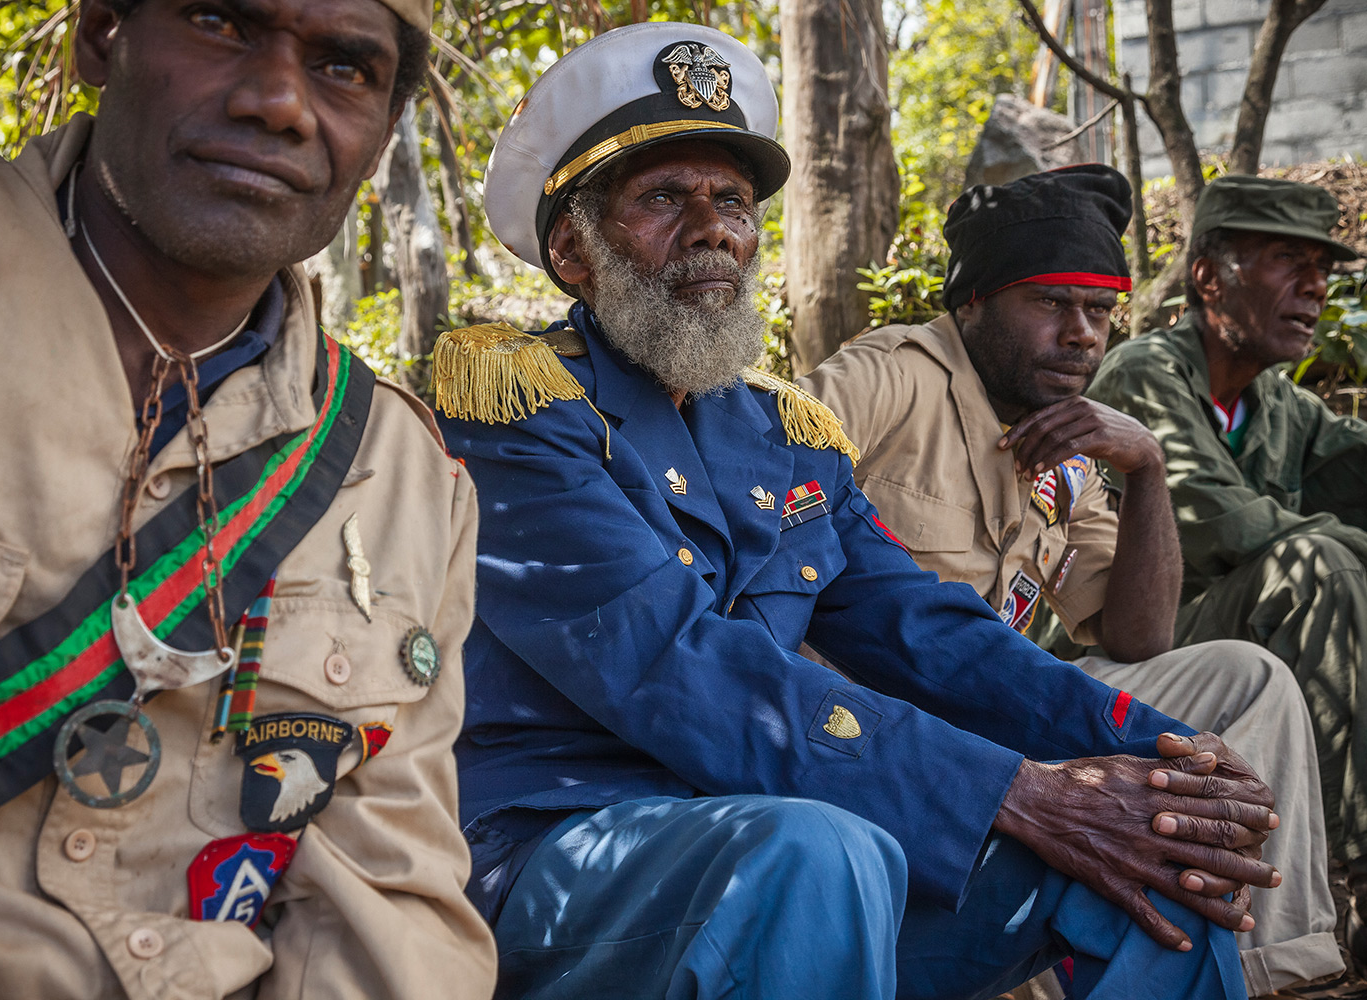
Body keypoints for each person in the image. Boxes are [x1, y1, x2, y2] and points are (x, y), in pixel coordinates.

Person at [433, 22, 1279, 1000]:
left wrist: (1161, 752)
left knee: (1161, 854)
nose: (712, 229)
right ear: (573, 249)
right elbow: (674, 662)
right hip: (561, 852)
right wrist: (1015, 789)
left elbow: (932, 633)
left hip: (782, 832)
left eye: (732, 201)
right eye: (663, 198)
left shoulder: (784, 434)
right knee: (819, 850)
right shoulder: (516, 414)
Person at [0, 1, 497, 998]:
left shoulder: (408, 483)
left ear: (380, 138)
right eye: (220, 22)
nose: (280, 102)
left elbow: (387, 911)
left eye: (344, 67)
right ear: (102, 35)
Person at [798, 165, 1340, 996]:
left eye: (1099, 310)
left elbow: (1139, 638)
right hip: (881, 732)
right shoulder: (890, 376)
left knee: (1246, 677)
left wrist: (1146, 467)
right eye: (1051, 303)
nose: (1083, 334)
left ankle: (1273, 971)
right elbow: (756, 483)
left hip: (1008, 711)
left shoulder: (1066, 447)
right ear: (973, 300)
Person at [1086, 174, 1367, 947]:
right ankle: (1355, 874)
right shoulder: (1144, 373)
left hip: (1227, 641)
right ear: (1209, 277)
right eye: (1288, 261)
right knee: (1319, 567)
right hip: (1137, 656)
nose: (1315, 287)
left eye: (1323, 269)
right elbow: (1220, 525)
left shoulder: (1279, 404)